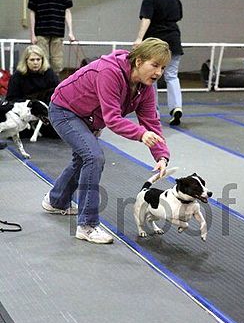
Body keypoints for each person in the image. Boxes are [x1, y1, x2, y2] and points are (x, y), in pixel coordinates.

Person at [42, 38, 171, 244]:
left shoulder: (145, 87)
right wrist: (140, 134)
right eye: (154, 65)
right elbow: (113, 119)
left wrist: (162, 156)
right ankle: (87, 225)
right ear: (138, 61)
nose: (158, 73)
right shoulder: (109, 72)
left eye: (163, 68)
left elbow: (152, 123)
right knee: (93, 157)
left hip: (90, 117)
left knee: (84, 158)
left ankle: (56, 201)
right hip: (64, 110)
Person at [134, 0, 184, 126]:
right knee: (172, 75)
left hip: (156, 42)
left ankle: (153, 111)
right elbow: (179, 16)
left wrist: (139, 39)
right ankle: (176, 107)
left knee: (151, 76)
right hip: (174, 39)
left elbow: (146, 19)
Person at [28, 0, 76, 74]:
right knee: (41, 63)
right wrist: (32, 34)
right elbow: (32, 12)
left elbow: (67, 11)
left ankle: (55, 89)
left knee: (57, 63)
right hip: (41, 32)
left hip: (58, 31)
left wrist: (71, 32)